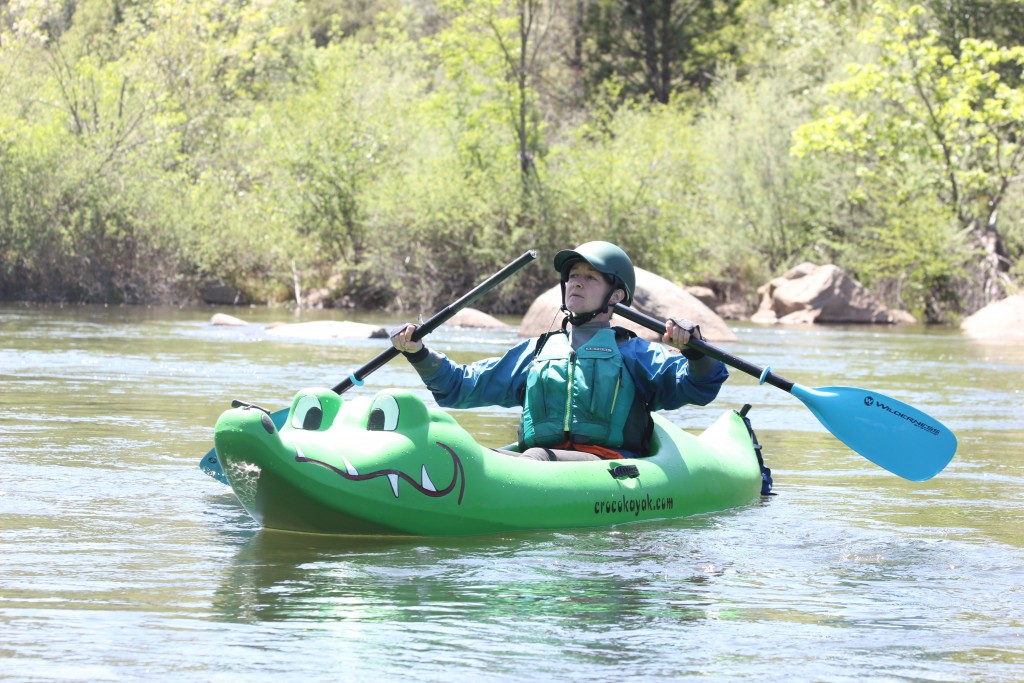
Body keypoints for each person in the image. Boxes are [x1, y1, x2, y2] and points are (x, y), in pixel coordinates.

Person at [390, 241, 728, 461]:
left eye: (591, 277)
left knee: (535, 457)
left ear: (616, 296)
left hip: (608, 467)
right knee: (472, 453)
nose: (576, 282)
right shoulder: (537, 352)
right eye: (573, 275)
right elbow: (461, 386)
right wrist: (418, 353)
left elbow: (699, 385)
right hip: (541, 461)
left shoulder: (634, 353)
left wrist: (695, 351)